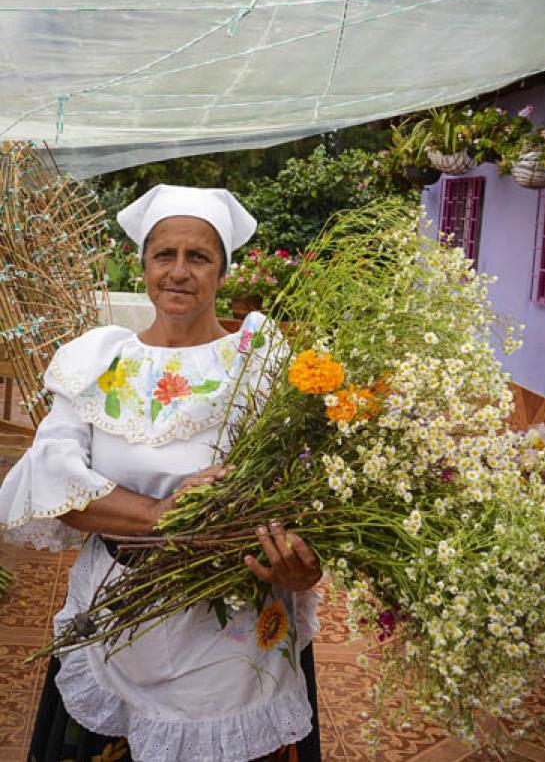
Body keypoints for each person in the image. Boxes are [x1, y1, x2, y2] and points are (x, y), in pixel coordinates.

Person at [0, 185, 323, 762]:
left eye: (198, 257)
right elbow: (54, 481)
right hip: (120, 616)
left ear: (223, 270)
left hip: (234, 632)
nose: (179, 272)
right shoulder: (97, 362)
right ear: (142, 264)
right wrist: (162, 514)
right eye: (163, 255)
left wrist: (301, 564)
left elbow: (300, 497)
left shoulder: (261, 366)